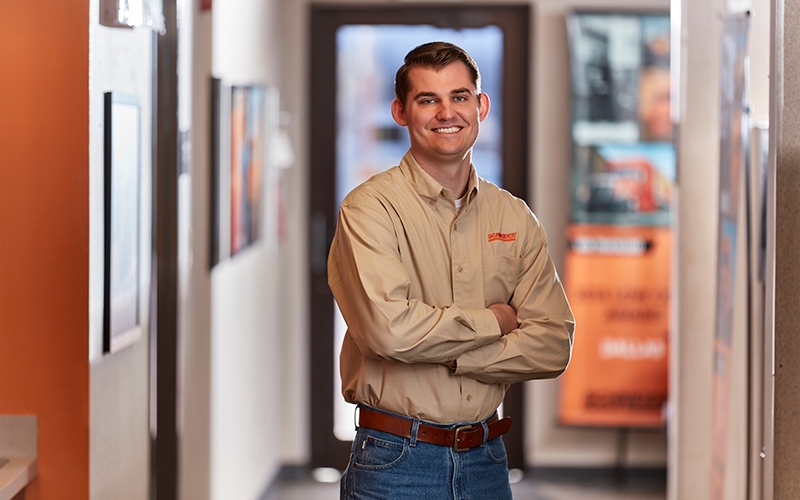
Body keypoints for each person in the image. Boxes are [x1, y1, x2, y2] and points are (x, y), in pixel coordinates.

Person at [328, 41, 576, 500]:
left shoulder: (514, 217)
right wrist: (497, 322)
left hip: (487, 459)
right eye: (428, 100)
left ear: (480, 105)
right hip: (395, 461)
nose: (447, 112)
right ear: (401, 112)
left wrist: (456, 357)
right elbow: (389, 332)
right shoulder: (370, 210)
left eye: (459, 97)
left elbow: (553, 344)